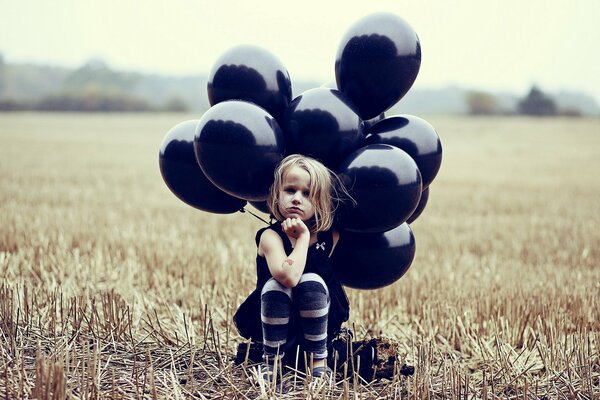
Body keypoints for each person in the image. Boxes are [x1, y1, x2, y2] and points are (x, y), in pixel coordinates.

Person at [233, 154, 351, 382]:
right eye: (290, 190)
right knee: (278, 285)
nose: (297, 199)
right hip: (276, 320)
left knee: (312, 283)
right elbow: (289, 276)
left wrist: (306, 236)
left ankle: (318, 363)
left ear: (321, 203)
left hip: (319, 319)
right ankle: (272, 362)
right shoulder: (270, 237)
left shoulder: (331, 236)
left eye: (307, 194)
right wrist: (303, 239)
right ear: (277, 195)